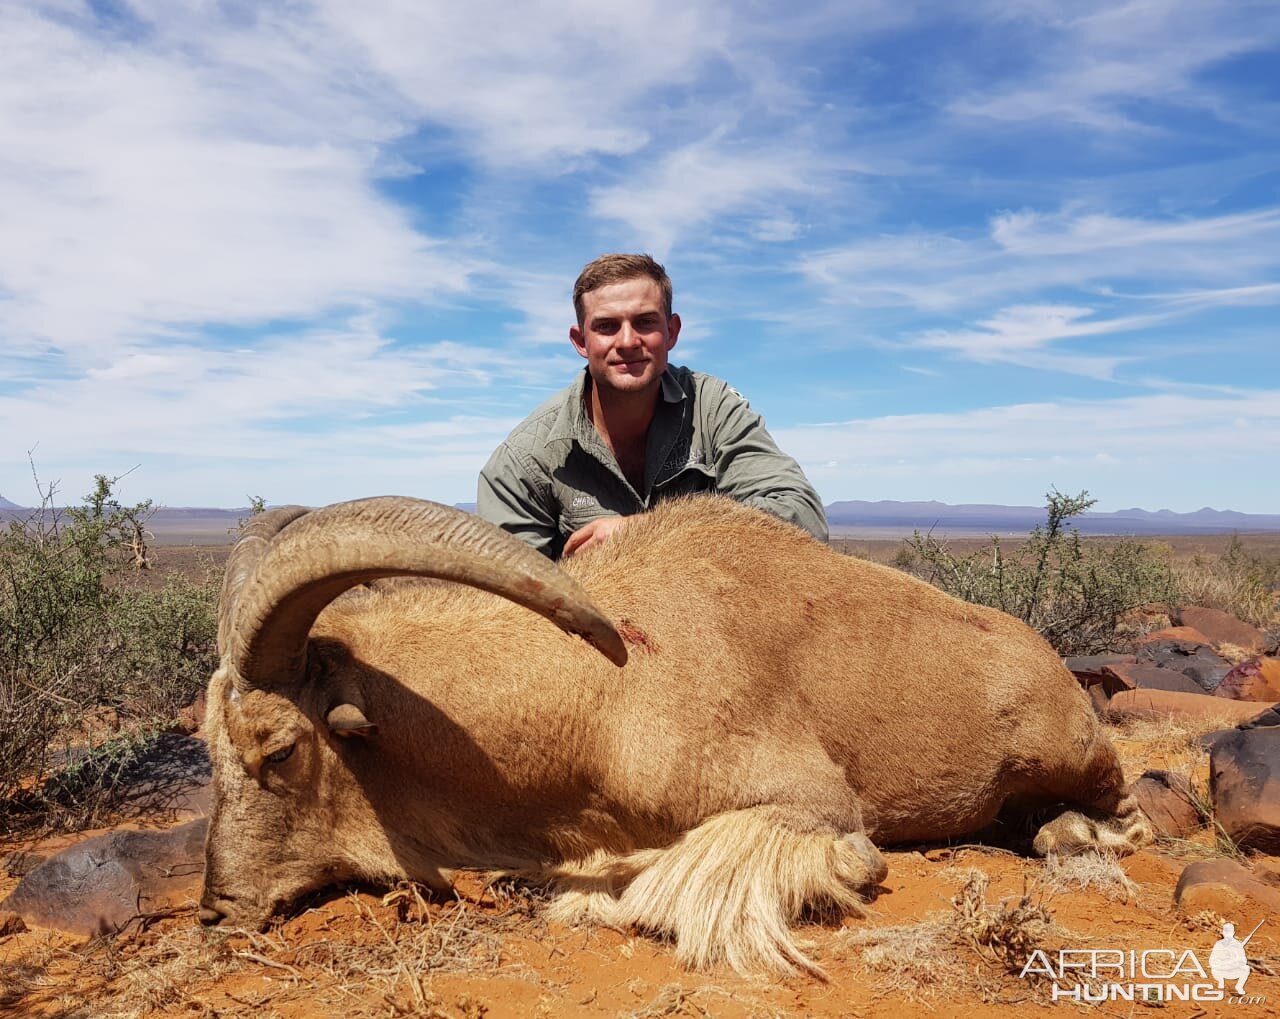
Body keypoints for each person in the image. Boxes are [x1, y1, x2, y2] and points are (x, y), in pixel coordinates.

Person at [477, 253, 827, 559]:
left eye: (645, 322)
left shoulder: (713, 409)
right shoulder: (524, 460)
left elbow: (802, 519)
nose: (627, 341)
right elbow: (507, 600)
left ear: (672, 331)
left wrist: (645, 532)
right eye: (606, 327)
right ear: (580, 341)